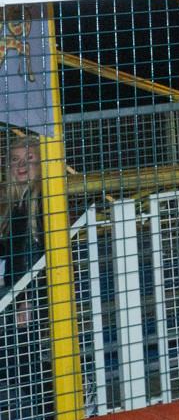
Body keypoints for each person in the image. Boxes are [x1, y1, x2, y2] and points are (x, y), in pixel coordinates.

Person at [1, 133, 47, 420]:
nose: (20, 166)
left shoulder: (42, 201)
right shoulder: (10, 201)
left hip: (28, 294)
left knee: (21, 360)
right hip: (13, 289)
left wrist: (24, 298)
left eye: (28, 160)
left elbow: (33, 257)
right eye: (15, 160)